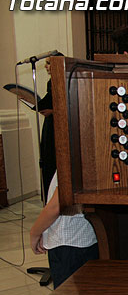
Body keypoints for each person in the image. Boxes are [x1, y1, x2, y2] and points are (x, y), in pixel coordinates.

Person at [29, 171, 98, 288]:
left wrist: (34, 233)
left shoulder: (68, 164)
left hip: (66, 243)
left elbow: (55, 207)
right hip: (87, 237)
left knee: (66, 293)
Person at [37, 53, 64, 198]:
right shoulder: (51, 82)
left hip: (59, 125)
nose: (46, 67)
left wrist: (53, 111)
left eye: (49, 63)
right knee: (47, 158)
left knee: (55, 159)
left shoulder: (64, 80)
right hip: (50, 124)